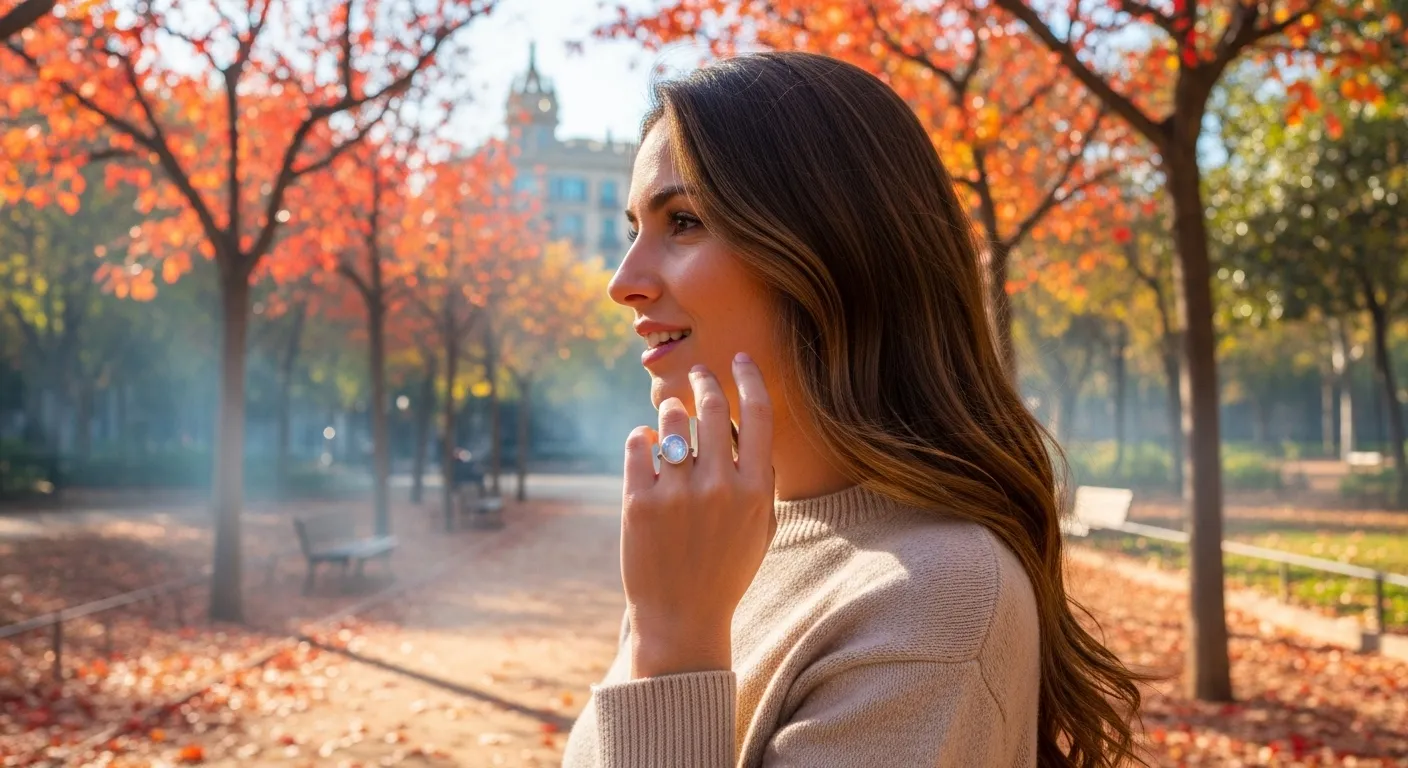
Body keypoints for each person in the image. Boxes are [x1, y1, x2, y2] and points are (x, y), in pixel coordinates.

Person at [561, 51, 1143, 768]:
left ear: (831, 248)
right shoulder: (716, 539)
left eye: (683, 221)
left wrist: (673, 645)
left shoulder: (932, 599)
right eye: (632, 230)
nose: (624, 282)